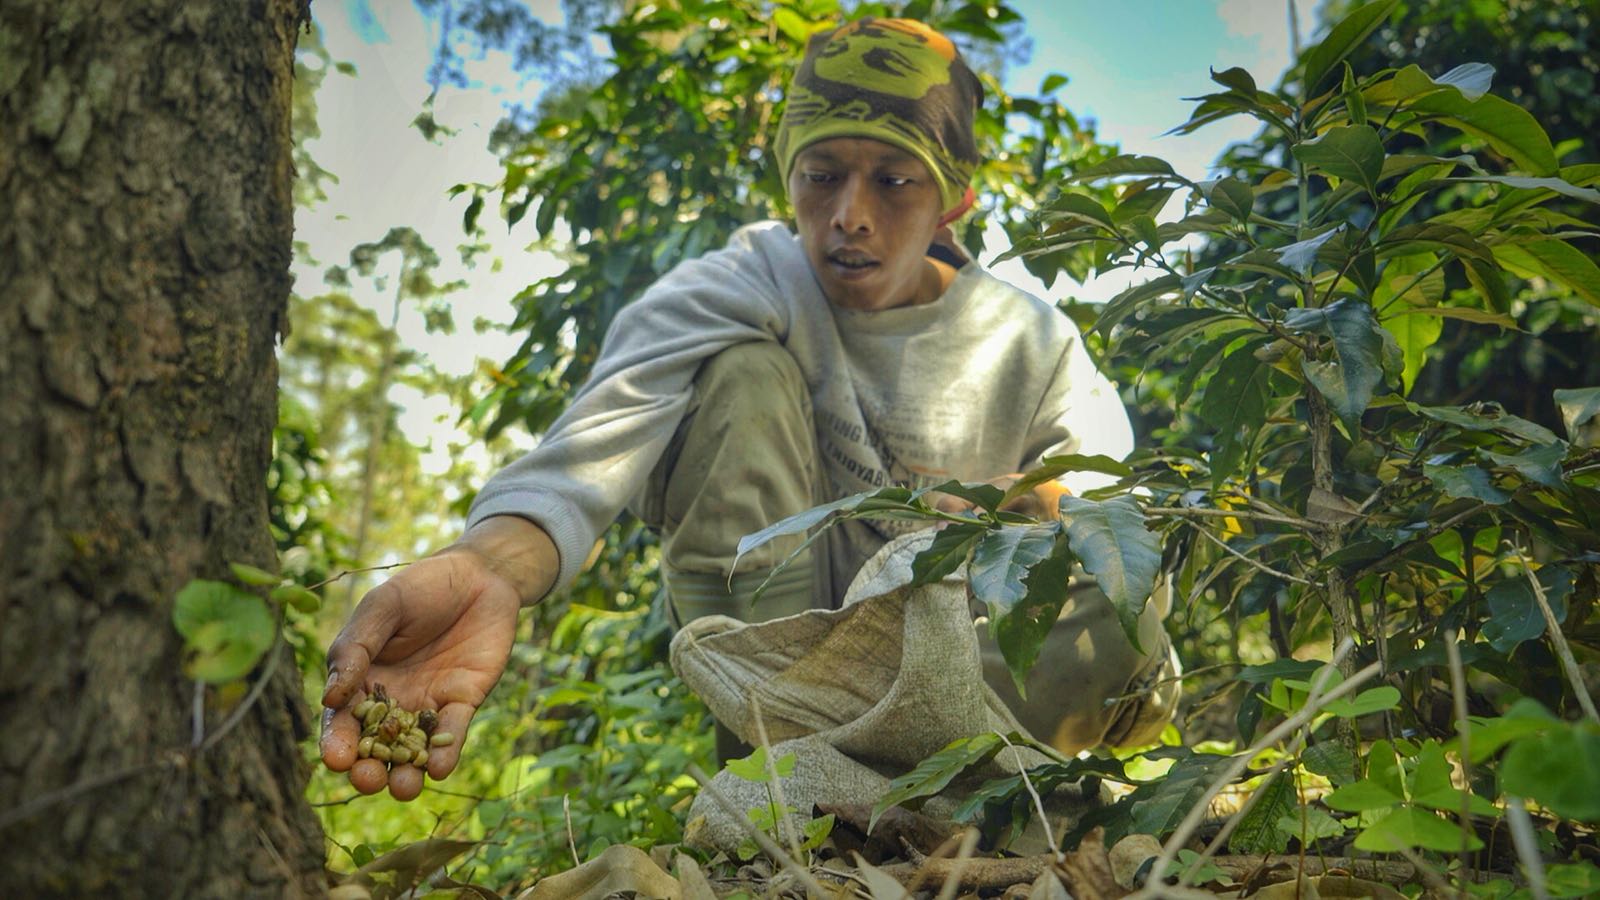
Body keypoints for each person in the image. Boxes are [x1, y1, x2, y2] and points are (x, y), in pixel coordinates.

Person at [320, 17, 1175, 801]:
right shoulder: (755, 280)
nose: (850, 216)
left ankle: (987, 785)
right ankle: (785, 771)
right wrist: (489, 565)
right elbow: (603, 431)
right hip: (798, 670)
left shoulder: (1030, 339)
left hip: (970, 673)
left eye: (894, 180)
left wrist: (1007, 500)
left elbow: (1122, 519)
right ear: (789, 177)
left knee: (1116, 582)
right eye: (822, 175)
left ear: (954, 199)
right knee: (740, 377)